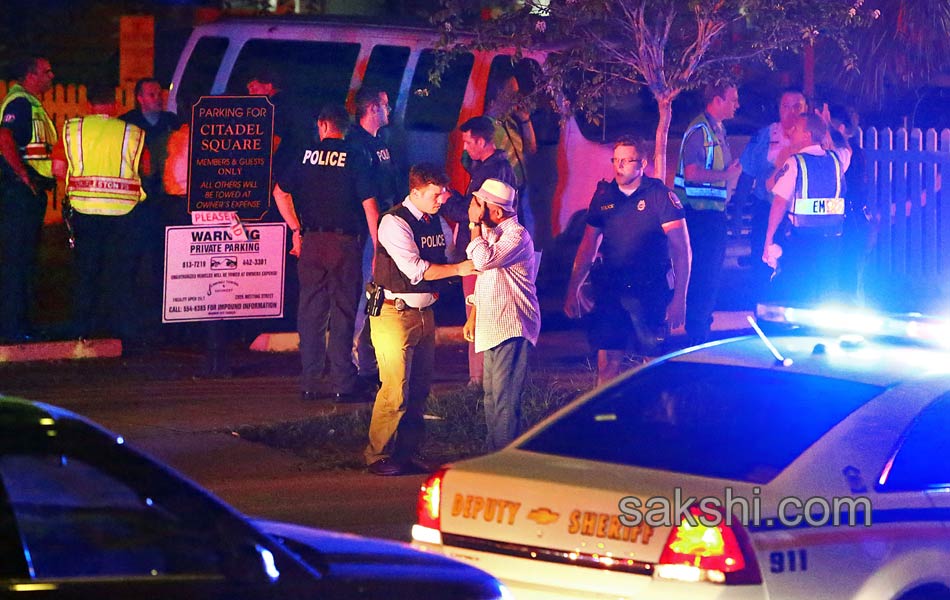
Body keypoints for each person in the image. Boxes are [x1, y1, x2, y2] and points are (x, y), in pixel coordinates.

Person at [364, 163, 476, 476]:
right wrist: (458, 270)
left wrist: (477, 231)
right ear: (415, 191)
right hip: (394, 313)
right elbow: (417, 270)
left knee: (419, 389)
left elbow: (452, 257)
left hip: (425, 312)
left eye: (445, 192)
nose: (443, 198)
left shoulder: (436, 221)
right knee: (395, 389)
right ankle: (377, 455)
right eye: (436, 193)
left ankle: (405, 454)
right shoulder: (393, 222)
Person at [272, 105, 379, 402]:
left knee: (310, 312)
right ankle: (343, 383)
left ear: (322, 125)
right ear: (344, 128)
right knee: (343, 311)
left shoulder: (306, 155)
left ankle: (309, 382)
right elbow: (370, 205)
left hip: (311, 241)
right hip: (345, 243)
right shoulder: (356, 156)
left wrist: (295, 228)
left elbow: (280, 192)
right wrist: (378, 247)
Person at [565, 137, 691, 386]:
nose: (619, 166)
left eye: (626, 160)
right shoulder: (604, 196)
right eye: (616, 160)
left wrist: (680, 298)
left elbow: (681, 249)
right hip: (612, 292)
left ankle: (659, 419)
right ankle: (605, 419)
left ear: (642, 163)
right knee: (608, 362)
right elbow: (589, 245)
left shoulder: (659, 197)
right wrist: (573, 287)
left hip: (650, 292)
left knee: (653, 363)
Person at [51, 79, 149, 347]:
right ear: (116, 105)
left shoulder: (72, 130)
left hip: (86, 210)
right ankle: (126, 333)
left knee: (86, 271)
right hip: (124, 213)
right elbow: (146, 168)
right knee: (121, 272)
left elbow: (59, 169)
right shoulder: (132, 133)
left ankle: (82, 330)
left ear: (88, 104)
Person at [463, 179, 540, 451]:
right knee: (491, 395)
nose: (475, 208)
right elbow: (485, 279)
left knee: (505, 398)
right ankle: (492, 453)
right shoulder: (494, 233)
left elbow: (481, 261)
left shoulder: (516, 236)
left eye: (481, 204)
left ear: (496, 212)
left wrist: (473, 226)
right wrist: (473, 315)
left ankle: (504, 458)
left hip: (512, 325)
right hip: (493, 325)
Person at [441, 115, 517, 388]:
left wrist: (447, 200)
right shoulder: (489, 167)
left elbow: (471, 212)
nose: (465, 148)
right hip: (480, 252)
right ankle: (481, 380)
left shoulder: (491, 173)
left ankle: (479, 381)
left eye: (468, 142)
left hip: (479, 254)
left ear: (483, 141)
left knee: (476, 314)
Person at [674, 81, 741, 346]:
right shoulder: (700, 130)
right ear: (716, 100)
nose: (737, 104)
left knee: (709, 276)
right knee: (704, 275)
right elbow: (691, 173)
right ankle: (697, 335)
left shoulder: (716, 129)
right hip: (699, 216)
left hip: (711, 214)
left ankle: (700, 330)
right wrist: (725, 175)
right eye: (733, 99)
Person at [763, 110, 852, 306]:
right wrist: (828, 127)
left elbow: (779, 202)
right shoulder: (837, 159)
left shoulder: (795, 163)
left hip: (802, 241)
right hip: (832, 240)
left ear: (807, 135)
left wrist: (769, 238)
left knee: (801, 292)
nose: (790, 132)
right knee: (827, 293)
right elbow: (847, 148)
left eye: (796, 129)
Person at [0, 55, 56, 343]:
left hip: (27, 193)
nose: (52, 76)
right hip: (20, 194)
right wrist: (23, 176)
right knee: (18, 262)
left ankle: (19, 324)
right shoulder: (21, 103)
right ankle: (13, 328)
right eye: (46, 72)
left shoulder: (31, 104)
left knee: (23, 261)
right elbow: (4, 138)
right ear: (31, 75)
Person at [119, 78, 180, 342]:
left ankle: (162, 317)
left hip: (166, 200)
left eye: (160, 93)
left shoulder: (171, 122)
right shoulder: (127, 123)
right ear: (140, 98)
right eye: (152, 94)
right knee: (131, 259)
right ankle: (129, 318)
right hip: (137, 201)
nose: (159, 97)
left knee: (162, 259)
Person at [350, 86, 401, 392]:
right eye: (384, 105)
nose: (389, 109)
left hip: (386, 226)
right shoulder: (357, 145)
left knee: (381, 294)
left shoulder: (380, 141)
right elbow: (365, 196)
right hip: (370, 231)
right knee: (366, 296)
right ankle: (360, 365)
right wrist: (376, 240)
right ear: (371, 108)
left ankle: (371, 361)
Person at [737, 89, 807, 298]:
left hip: (798, 213)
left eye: (797, 107)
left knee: (795, 267)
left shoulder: (812, 138)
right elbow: (747, 174)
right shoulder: (764, 137)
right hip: (766, 209)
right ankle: (762, 310)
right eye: (785, 106)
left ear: (806, 109)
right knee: (763, 263)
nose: (791, 112)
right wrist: (738, 213)